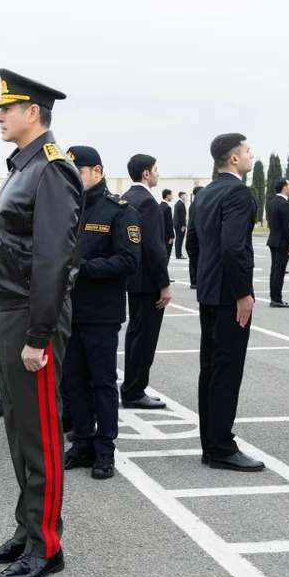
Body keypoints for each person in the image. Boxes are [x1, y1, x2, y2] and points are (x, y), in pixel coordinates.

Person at [0, 69, 83, 577]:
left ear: (32, 112)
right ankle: (28, 528)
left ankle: (47, 545)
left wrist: (39, 335)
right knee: (19, 427)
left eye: (7, 108)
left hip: (31, 314)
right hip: (11, 309)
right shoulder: (23, 168)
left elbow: (54, 261)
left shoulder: (52, 171)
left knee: (40, 432)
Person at [61, 145, 140, 480]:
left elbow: (129, 259)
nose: (73, 179)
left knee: (103, 382)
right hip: (66, 310)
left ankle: (105, 449)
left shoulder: (119, 211)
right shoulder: (62, 209)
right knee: (73, 380)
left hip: (101, 312)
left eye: (78, 171)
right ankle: (82, 442)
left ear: (98, 171)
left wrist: (83, 269)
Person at [193, 133, 263, 472]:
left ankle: (211, 443)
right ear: (233, 158)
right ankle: (220, 447)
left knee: (211, 369)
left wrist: (203, 282)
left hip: (209, 291)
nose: (252, 154)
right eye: (248, 150)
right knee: (226, 370)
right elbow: (234, 248)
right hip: (227, 294)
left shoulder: (206, 192)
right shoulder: (237, 192)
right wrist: (242, 293)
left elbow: (194, 244)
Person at [119, 154, 170, 410]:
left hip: (131, 278)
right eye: (156, 169)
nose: (158, 173)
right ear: (146, 174)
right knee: (145, 337)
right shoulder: (149, 202)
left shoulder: (126, 197)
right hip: (148, 280)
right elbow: (153, 246)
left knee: (135, 334)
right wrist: (164, 283)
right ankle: (134, 390)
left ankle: (130, 387)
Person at [266, 178, 289, 308]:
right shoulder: (284, 204)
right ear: (284, 188)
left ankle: (274, 296)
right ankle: (276, 298)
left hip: (273, 240)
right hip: (282, 242)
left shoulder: (273, 202)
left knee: (275, 270)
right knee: (279, 271)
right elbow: (288, 226)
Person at [186, 185, 202, 289]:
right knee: (197, 260)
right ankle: (196, 281)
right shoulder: (199, 204)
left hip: (192, 237)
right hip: (196, 237)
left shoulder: (193, 204)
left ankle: (194, 281)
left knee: (193, 261)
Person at [160, 189, 174, 258]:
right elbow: (169, 224)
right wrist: (172, 236)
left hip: (160, 234)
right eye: (171, 195)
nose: (172, 197)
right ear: (167, 196)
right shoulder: (167, 208)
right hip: (167, 236)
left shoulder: (159, 206)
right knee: (166, 255)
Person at [173, 191, 187, 259]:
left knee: (178, 240)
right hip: (180, 225)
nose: (185, 197)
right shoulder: (181, 204)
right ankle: (179, 255)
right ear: (181, 196)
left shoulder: (177, 203)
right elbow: (182, 216)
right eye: (185, 195)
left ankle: (178, 254)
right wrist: (183, 225)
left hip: (176, 224)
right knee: (179, 240)